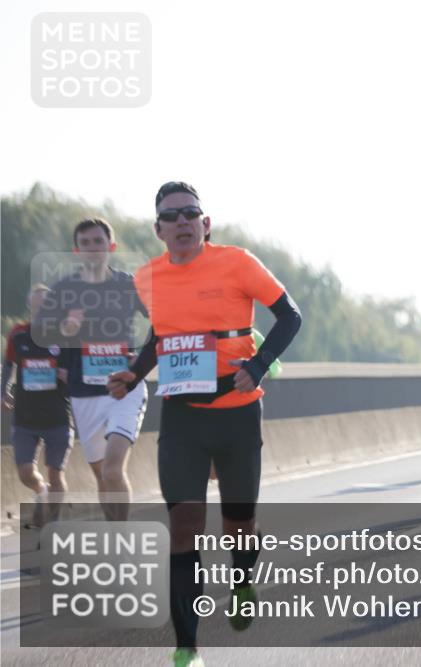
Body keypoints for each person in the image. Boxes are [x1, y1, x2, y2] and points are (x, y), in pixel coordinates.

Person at [107, 182, 302, 667]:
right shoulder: (146, 278)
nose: (182, 223)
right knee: (183, 526)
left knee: (239, 525)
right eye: (171, 217)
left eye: (190, 213)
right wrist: (134, 371)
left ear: (205, 223)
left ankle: (241, 578)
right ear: (158, 230)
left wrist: (257, 366)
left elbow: (289, 317)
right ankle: (187, 646)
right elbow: (161, 336)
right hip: (182, 416)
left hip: (237, 410)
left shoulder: (237, 262)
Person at [34, 218, 148, 521]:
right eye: (85, 243)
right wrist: (65, 327)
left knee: (113, 469)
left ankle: (122, 544)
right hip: (84, 393)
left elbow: (163, 321)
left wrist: (144, 357)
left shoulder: (128, 284)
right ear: (76, 251)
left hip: (124, 388)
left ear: (111, 246)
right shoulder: (64, 289)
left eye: (99, 242)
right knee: (102, 476)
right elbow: (40, 334)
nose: (92, 249)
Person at [2, 285, 73, 527]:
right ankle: (40, 491)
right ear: (30, 307)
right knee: (25, 472)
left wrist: (68, 374)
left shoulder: (64, 337)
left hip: (57, 416)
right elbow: (8, 364)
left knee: (56, 473)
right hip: (25, 417)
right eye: (37, 305)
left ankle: (53, 524)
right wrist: (3, 390)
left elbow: (79, 370)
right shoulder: (18, 334)